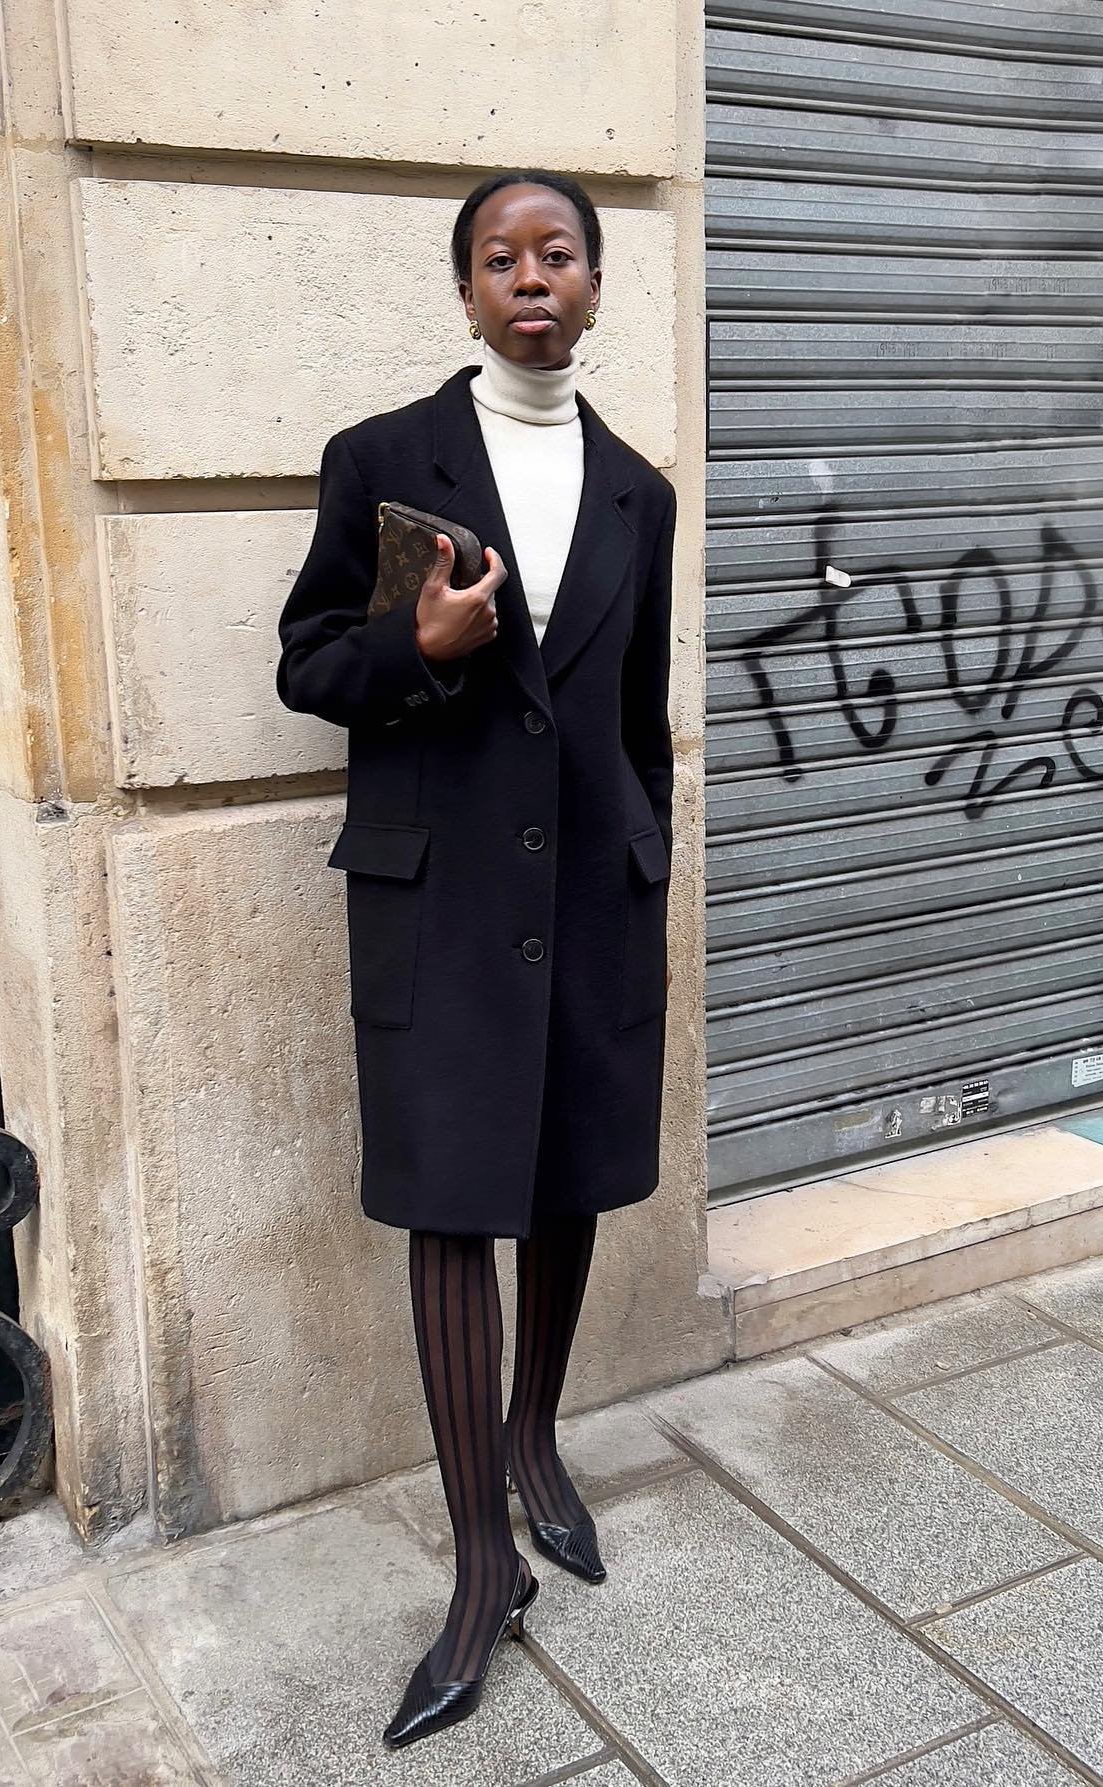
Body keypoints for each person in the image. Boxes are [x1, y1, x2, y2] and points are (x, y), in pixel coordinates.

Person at [275, 168, 677, 1750]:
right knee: (453, 1207)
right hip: (438, 898)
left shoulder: (641, 487)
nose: (532, 278)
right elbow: (309, 663)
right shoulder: (385, 460)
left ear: (594, 284)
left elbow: (635, 712)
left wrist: (648, 866)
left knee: (567, 1181)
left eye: (558, 253)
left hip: (590, 889)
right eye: (500, 257)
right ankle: (476, 1568)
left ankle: (536, 1441)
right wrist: (413, 651)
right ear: (464, 292)